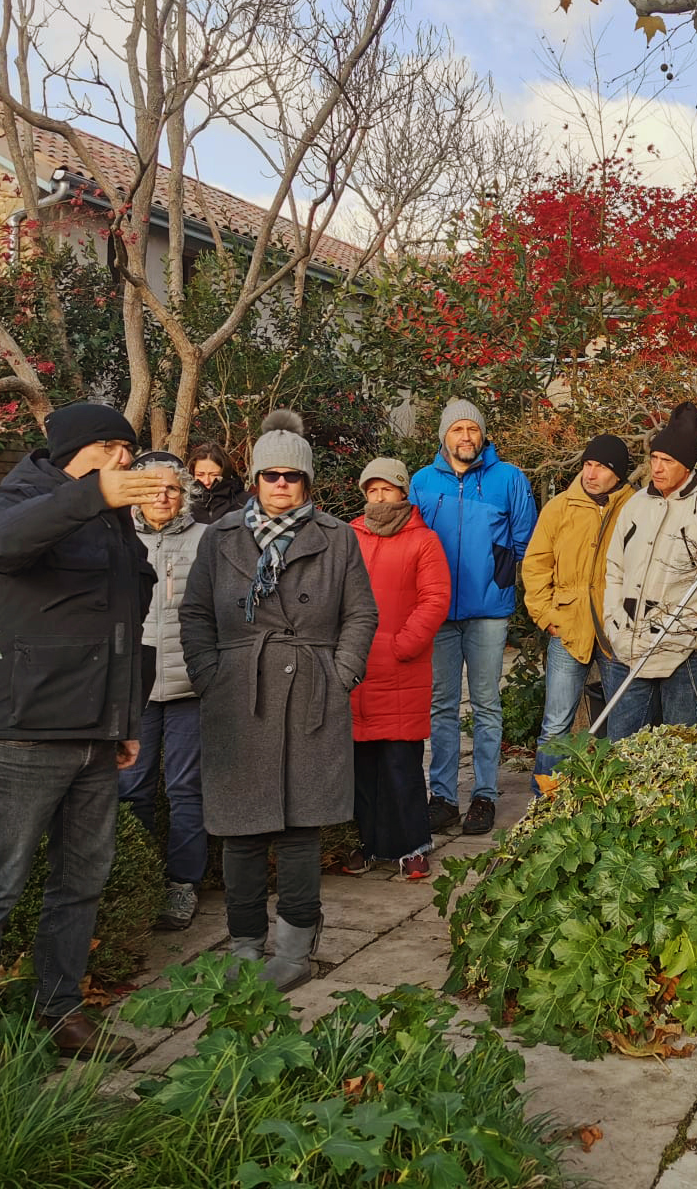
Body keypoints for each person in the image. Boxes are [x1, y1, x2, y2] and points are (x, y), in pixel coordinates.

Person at [0, 402, 177, 1060]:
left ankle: (60, 1015)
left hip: (96, 733)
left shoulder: (110, 522)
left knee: (82, 881)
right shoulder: (24, 496)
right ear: (94, 448)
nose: (130, 463)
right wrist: (90, 494)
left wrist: (125, 717)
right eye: (122, 450)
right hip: (27, 731)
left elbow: (126, 622)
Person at [179, 410, 377, 991]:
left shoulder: (338, 537)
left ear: (308, 483)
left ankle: (294, 947)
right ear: (256, 479)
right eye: (271, 475)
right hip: (239, 691)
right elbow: (194, 613)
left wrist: (342, 672)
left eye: (293, 476)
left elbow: (360, 612)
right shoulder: (219, 539)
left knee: (299, 825)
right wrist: (209, 673)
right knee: (240, 827)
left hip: (313, 688)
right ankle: (244, 942)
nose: (282, 484)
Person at [411, 398, 537, 837]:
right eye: (457, 429)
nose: (466, 437)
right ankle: (443, 796)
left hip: (488, 610)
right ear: (443, 436)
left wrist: (506, 579)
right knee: (441, 706)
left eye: (472, 429)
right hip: (437, 612)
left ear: (483, 434)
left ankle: (484, 795)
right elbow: (410, 542)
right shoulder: (422, 483)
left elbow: (526, 540)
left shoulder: (509, 479)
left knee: (486, 704)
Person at [600, 402, 697, 740]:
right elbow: (614, 568)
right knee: (622, 746)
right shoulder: (635, 505)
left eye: (668, 461)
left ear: (687, 465)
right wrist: (613, 622)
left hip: (683, 654)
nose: (658, 468)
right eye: (654, 459)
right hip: (630, 646)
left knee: (678, 749)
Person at [116, 450, 209, 931]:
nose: (162, 496)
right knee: (132, 788)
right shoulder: (117, 538)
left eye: (172, 487)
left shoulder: (205, 540)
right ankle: (138, 880)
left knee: (186, 789)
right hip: (135, 688)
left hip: (189, 686)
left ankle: (182, 884)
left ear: (184, 493)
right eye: (152, 487)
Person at [346, 457, 450, 879]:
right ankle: (369, 843)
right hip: (355, 668)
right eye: (371, 490)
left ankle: (413, 845)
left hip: (400, 670)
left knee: (400, 764)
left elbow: (435, 599)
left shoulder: (423, 541)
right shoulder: (349, 535)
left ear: (403, 492)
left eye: (386, 489)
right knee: (362, 766)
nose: (379, 497)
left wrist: (399, 645)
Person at [524, 434, 637, 787]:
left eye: (601, 467)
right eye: (588, 464)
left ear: (617, 474)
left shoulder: (636, 507)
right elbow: (536, 564)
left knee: (624, 720)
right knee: (557, 721)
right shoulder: (559, 507)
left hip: (615, 629)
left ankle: (615, 795)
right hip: (568, 627)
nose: (591, 473)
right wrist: (546, 616)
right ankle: (546, 796)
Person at [188, 441, 245, 524]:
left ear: (225, 474)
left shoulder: (244, 502)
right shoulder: (183, 504)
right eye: (200, 475)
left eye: (214, 475)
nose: (206, 481)